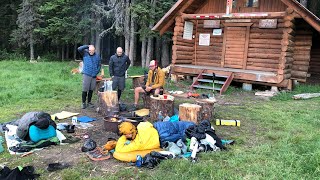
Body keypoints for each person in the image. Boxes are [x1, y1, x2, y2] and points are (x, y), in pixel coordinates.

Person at [78, 45, 101, 109]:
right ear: (88, 50)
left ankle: (89, 102)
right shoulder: (85, 54)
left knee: (91, 89)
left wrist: (97, 71)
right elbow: (79, 49)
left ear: (94, 50)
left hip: (94, 75)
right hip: (86, 74)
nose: (91, 52)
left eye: (92, 51)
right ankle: (83, 103)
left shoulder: (97, 56)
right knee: (85, 89)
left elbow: (99, 65)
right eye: (90, 50)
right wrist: (87, 46)